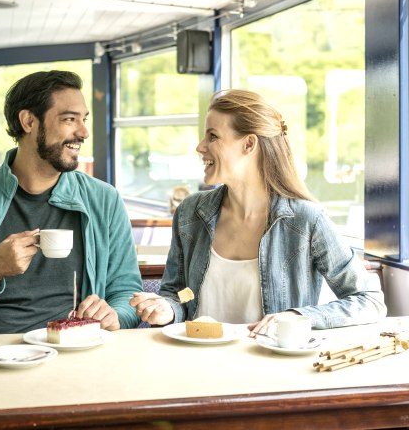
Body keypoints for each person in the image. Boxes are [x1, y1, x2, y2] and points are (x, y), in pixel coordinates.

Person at [130, 89, 386, 334]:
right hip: (200, 366)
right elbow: (182, 294)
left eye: (212, 136)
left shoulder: (307, 221)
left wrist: (298, 317)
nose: (200, 146)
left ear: (249, 144)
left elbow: (369, 300)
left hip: (271, 372)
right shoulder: (190, 213)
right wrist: (168, 309)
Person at [0, 70, 142, 335]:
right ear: (28, 121)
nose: (83, 132)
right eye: (69, 119)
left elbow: (126, 294)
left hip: (75, 356)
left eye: (84, 120)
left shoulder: (104, 200)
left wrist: (114, 315)